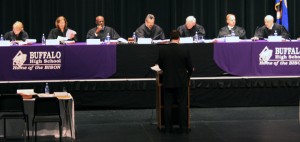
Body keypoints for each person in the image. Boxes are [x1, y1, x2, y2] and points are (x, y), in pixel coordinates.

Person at [157, 30, 193, 133]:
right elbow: (190, 67)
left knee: (167, 105)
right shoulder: (185, 49)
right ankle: (183, 128)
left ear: (170, 38)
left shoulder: (163, 50)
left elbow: (160, 65)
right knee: (182, 105)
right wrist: (188, 75)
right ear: (179, 38)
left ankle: (168, 128)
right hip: (181, 82)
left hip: (168, 81)